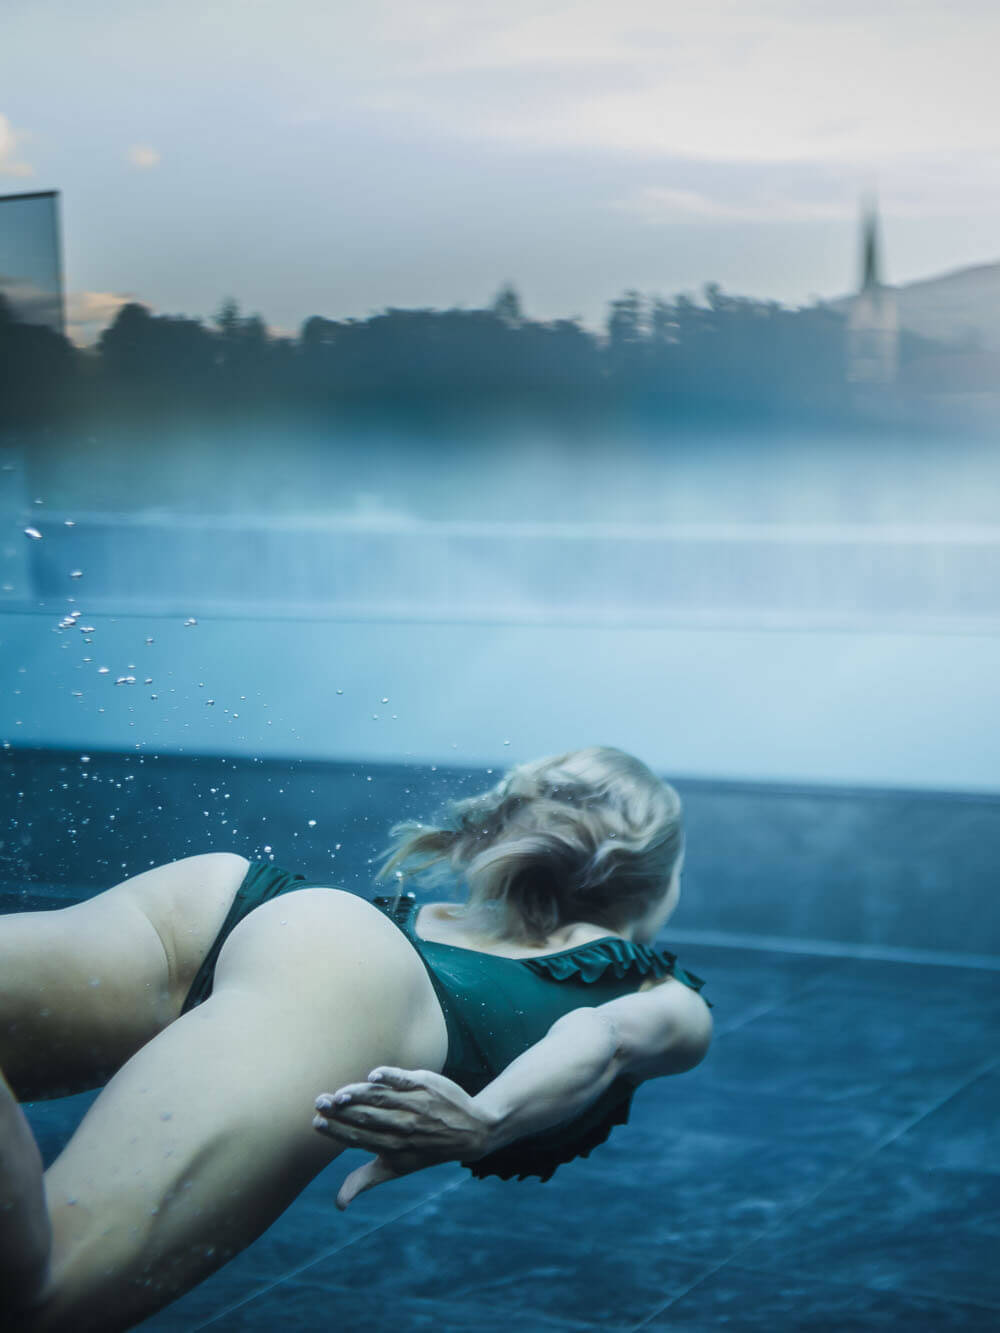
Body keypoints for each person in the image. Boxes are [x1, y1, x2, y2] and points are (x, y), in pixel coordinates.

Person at [0, 746, 713, 1332]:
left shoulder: (433, 916)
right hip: (338, 963)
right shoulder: (656, 989)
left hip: (222, 898)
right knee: (40, 1297)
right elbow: (602, 1034)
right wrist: (487, 1120)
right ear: (653, 882)